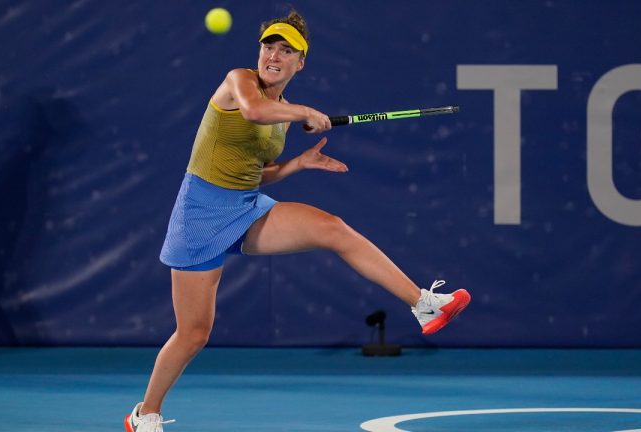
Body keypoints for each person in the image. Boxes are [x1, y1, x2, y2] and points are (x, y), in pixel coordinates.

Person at [124, 10, 471, 432]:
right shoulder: (240, 81)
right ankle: (146, 413)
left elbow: (257, 172)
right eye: (269, 46)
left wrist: (298, 164)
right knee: (194, 334)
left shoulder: (285, 113)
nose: (274, 55)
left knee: (332, 228)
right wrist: (303, 112)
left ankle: (423, 304)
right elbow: (253, 111)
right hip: (199, 214)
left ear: (300, 63)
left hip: (245, 207)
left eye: (286, 51)